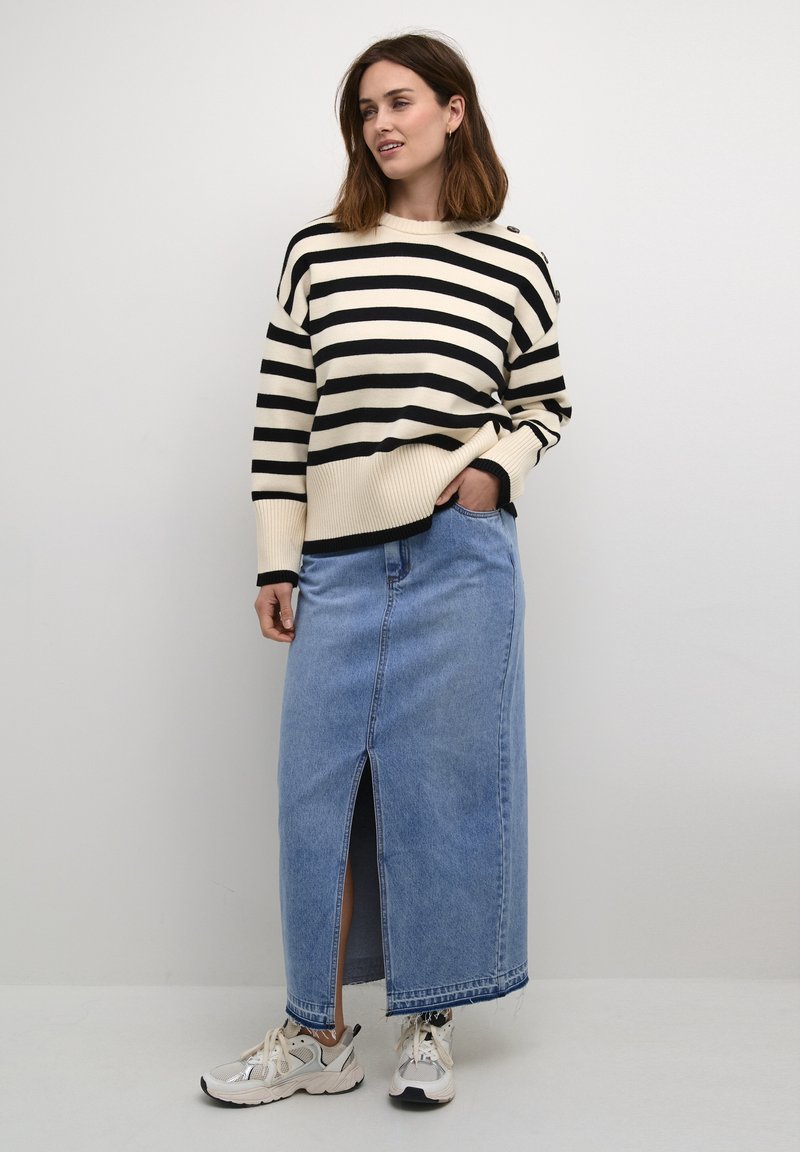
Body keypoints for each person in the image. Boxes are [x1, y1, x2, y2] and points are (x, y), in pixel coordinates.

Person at [201, 29, 572, 1108]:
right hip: (337, 561)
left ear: (454, 110)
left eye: (400, 101)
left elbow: (544, 402)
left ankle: (428, 1021)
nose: (381, 124)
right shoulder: (318, 253)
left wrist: (491, 474)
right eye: (365, 110)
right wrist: (276, 560)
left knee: (442, 791)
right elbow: (284, 415)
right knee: (314, 795)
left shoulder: (512, 260)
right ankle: (314, 1032)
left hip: (459, 559)